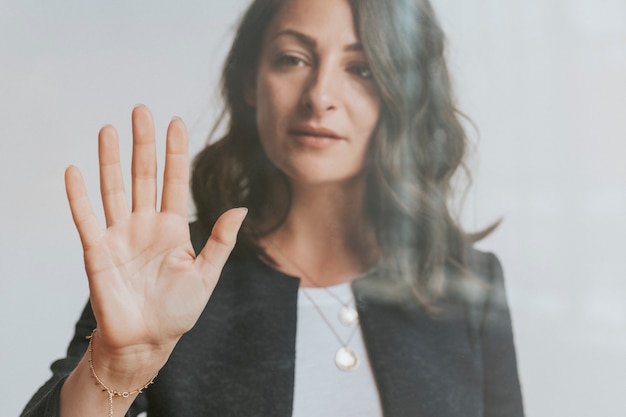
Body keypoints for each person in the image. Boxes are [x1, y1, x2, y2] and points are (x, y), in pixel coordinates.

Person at [21, 0, 524, 416]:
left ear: (403, 96)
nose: (320, 96)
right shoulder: (169, 270)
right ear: (248, 81)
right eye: (293, 59)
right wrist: (115, 368)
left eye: (362, 68)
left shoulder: (468, 281)